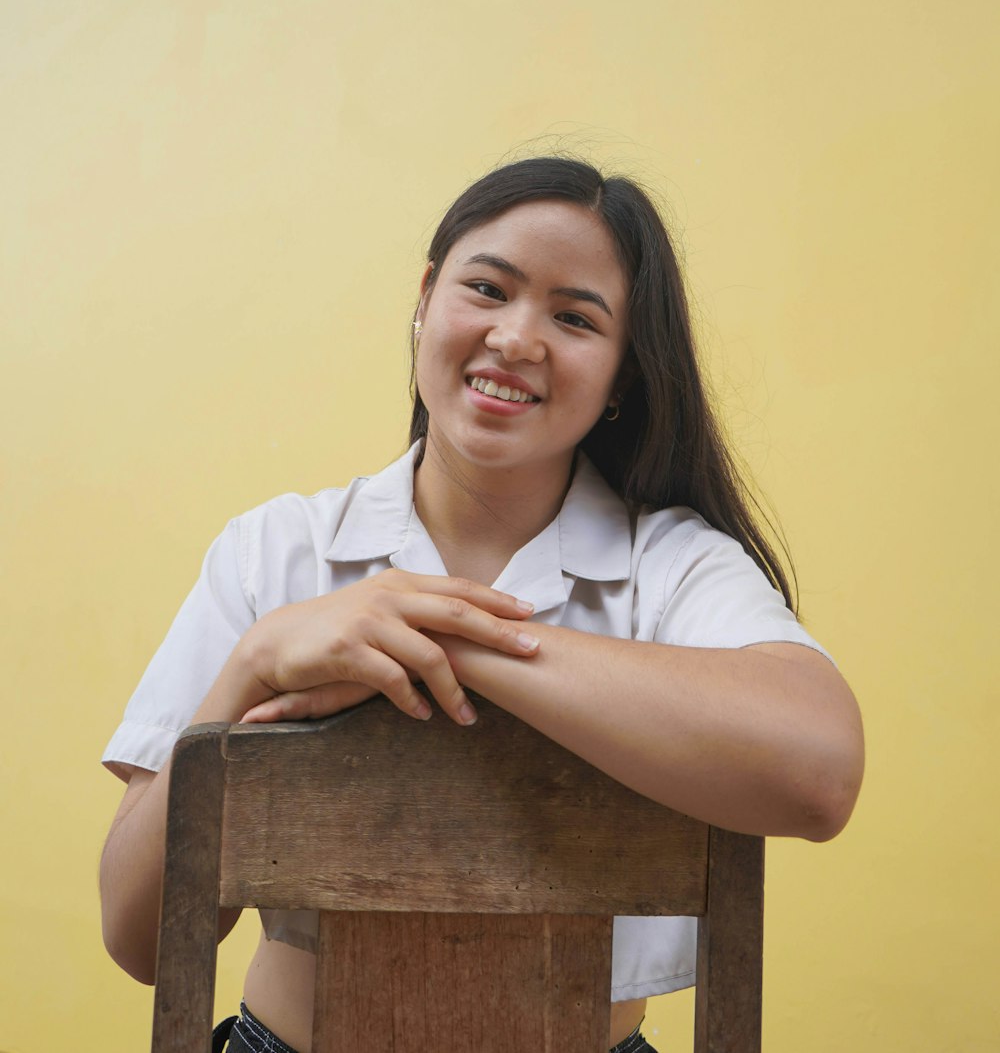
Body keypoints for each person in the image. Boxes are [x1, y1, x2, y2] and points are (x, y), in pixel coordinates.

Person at [100, 156, 864, 1053]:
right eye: (487, 289)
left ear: (624, 374)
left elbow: (820, 772)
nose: (515, 338)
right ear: (426, 298)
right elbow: (135, 935)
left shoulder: (674, 567)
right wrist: (255, 660)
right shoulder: (276, 554)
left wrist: (439, 636)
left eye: (576, 318)